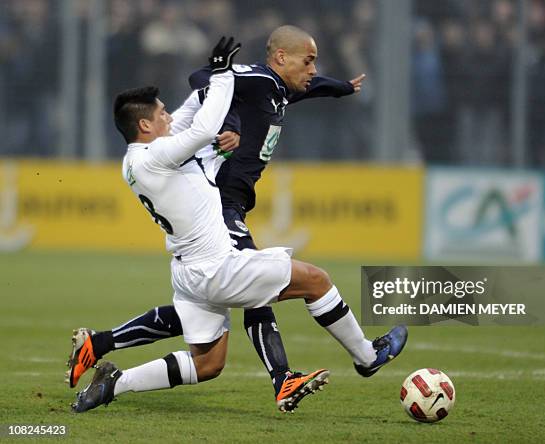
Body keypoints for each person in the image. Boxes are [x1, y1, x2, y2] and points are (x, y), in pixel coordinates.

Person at [70, 35, 407, 414]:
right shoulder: (157, 155)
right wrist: (222, 77)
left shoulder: (139, 158)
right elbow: (198, 127)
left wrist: (219, 104)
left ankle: (114, 382)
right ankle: (358, 359)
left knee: (208, 364)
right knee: (315, 280)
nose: (170, 116)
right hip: (216, 265)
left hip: (189, 270)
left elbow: (189, 117)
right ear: (145, 125)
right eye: (161, 114)